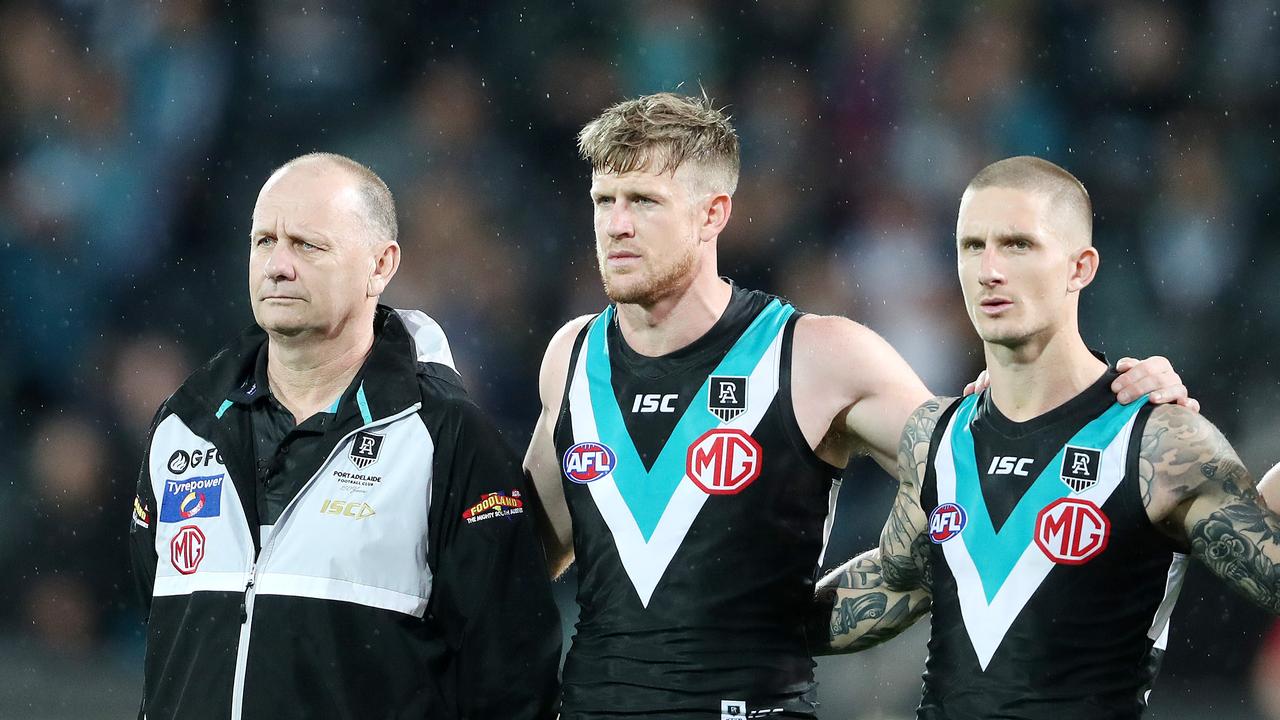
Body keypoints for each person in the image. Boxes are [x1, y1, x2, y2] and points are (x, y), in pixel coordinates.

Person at [522, 93, 1192, 719]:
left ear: (712, 214)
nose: (614, 225)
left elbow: (991, 482)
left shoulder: (820, 358)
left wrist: (1121, 408)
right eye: (603, 199)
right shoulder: (572, 356)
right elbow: (523, 555)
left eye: (642, 200)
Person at [129, 153, 560, 720]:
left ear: (381, 265)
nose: (278, 265)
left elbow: (511, 680)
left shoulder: (446, 437)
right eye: (264, 242)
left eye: (308, 245)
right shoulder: (184, 425)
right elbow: (165, 633)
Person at [862, 156, 1280, 719]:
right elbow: (885, 590)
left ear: (1080, 267)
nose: (989, 269)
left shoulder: (1160, 442)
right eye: (971, 246)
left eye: (1017, 245)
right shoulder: (937, 435)